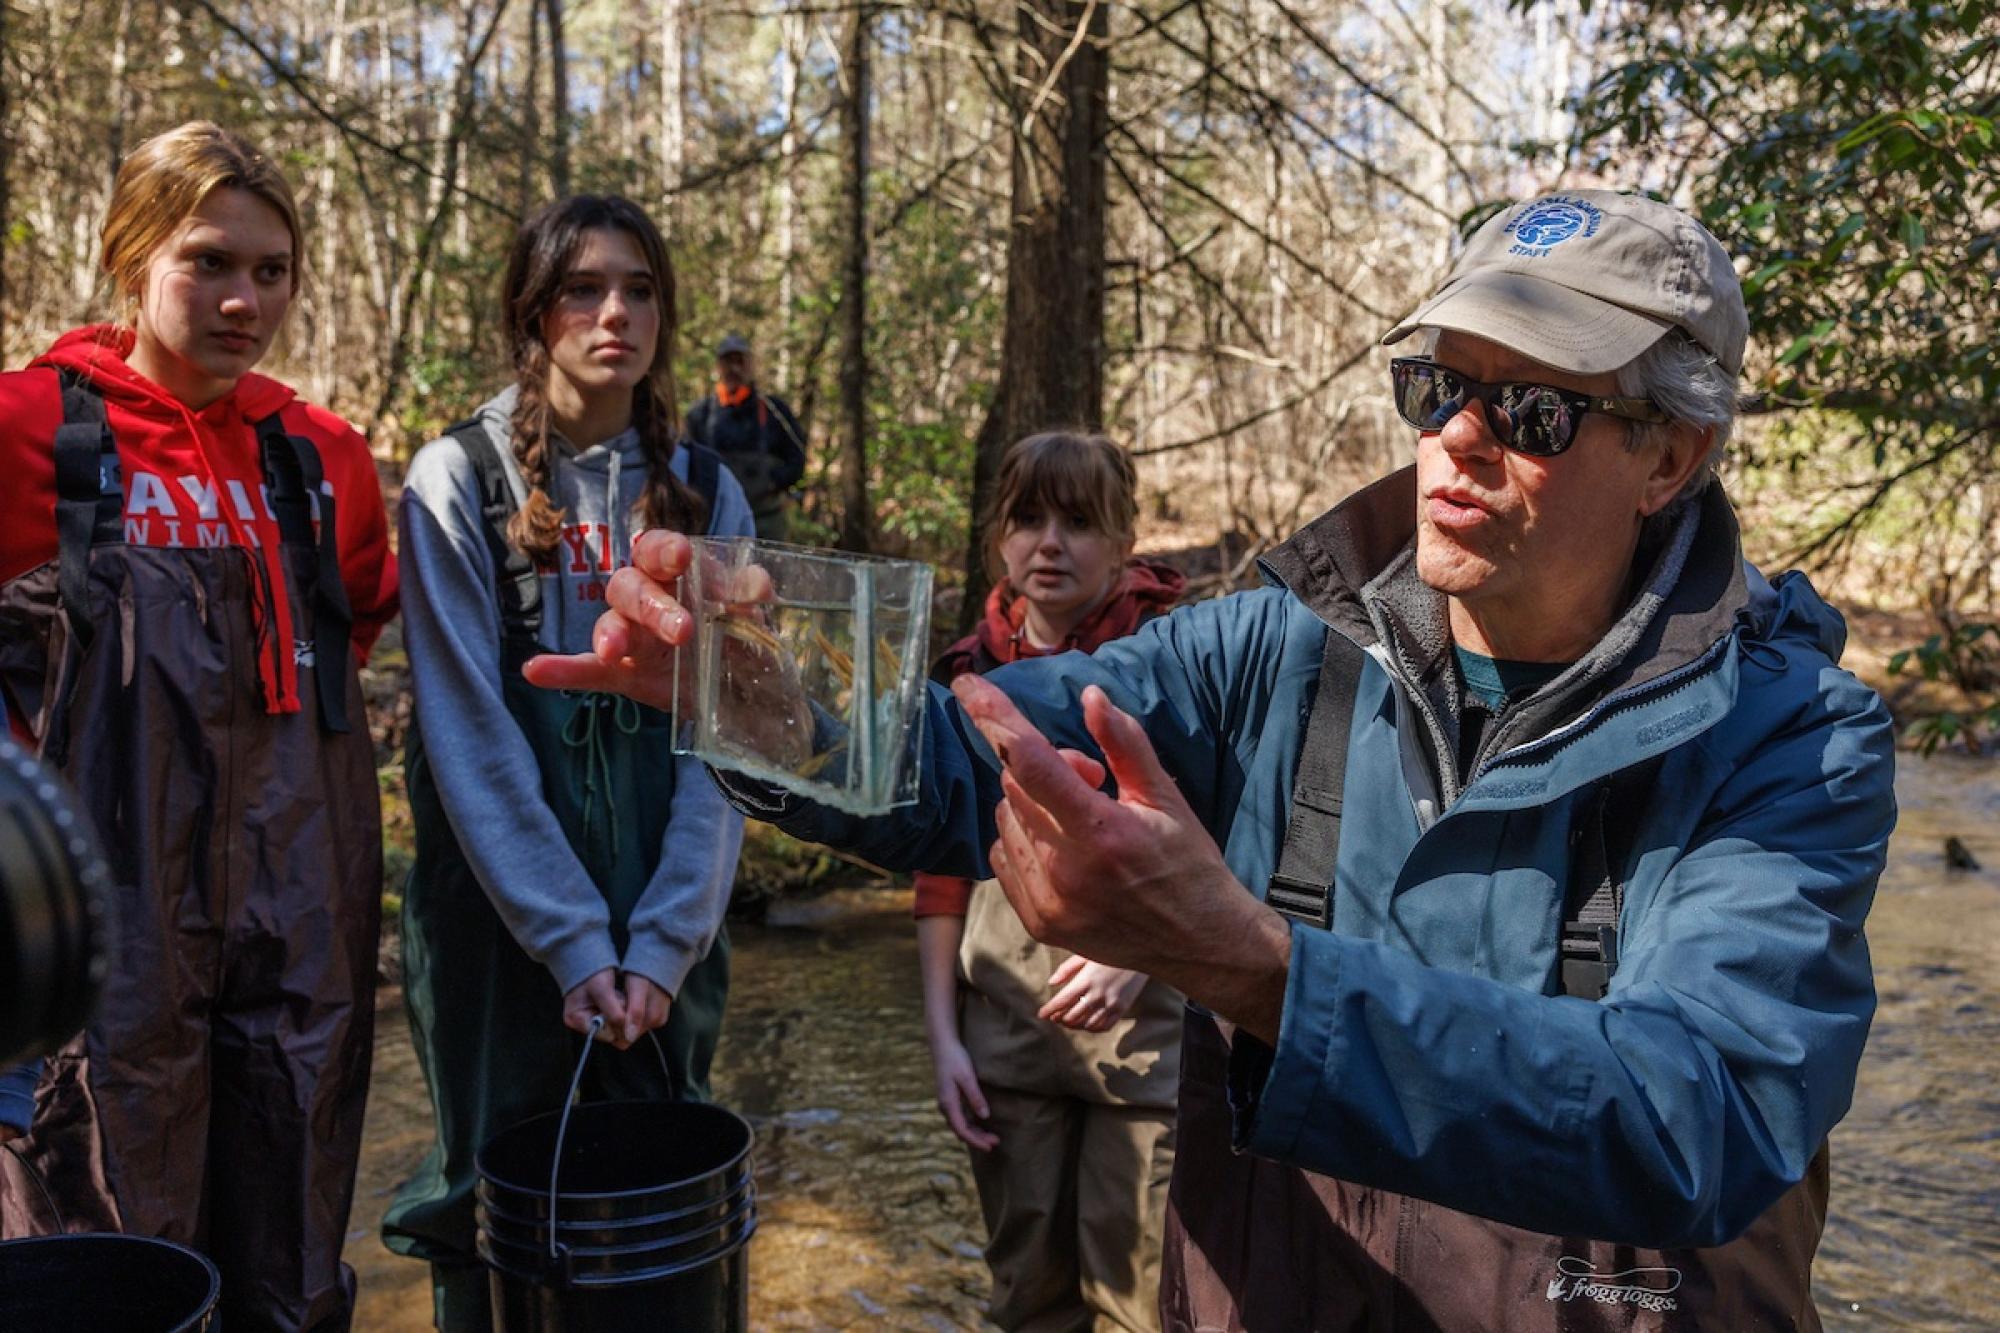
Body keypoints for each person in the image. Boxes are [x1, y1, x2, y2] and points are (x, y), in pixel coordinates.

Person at [529, 190, 1899, 1330]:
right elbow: (972, 757)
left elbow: (1696, 1113)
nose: (1459, 442)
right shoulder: (1271, 650)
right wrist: (761, 699)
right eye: (1438, 388)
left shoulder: (1793, 739)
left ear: (1673, 458)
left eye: (1535, 410)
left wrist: (1254, 969)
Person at [0, 121, 398, 1330]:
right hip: (92, 935)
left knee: (289, 1259)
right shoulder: (27, 426)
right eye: (209, 263)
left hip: (299, 936)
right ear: (133, 260)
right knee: (107, 1263)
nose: (244, 300)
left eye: (271, 271)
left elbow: (360, 630)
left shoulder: (324, 457)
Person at [381, 194, 752, 1332]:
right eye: (585, 290)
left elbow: (726, 739)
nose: (616, 313)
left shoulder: (705, 489)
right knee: (484, 1197)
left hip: (664, 908)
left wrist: (666, 940)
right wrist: (571, 940)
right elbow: (466, 737)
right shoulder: (456, 482)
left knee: (660, 1187)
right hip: (494, 922)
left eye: (639, 289)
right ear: (533, 313)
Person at [916, 431, 1186, 1332]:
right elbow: (940, 876)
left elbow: (1223, 848)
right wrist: (943, 1037)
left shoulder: (1182, 668)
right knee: (1025, 1294)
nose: (1050, 543)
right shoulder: (967, 676)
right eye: (1028, 519)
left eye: (1079, 521)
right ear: (998, 540)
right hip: (1007, 1039)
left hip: (1144, 1044)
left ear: (1123, 543)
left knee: (1142, 1300)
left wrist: (1141, 953)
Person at [684, 332, 806, 541]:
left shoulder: (774, 411)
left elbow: (797, 456)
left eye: (740, 361)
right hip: (714, 522)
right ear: (718, 366)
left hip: (767, 523)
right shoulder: (699, 415)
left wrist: (774, 481)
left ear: (751, 364)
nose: (734, 368)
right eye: (728, 361)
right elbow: (685, 465)